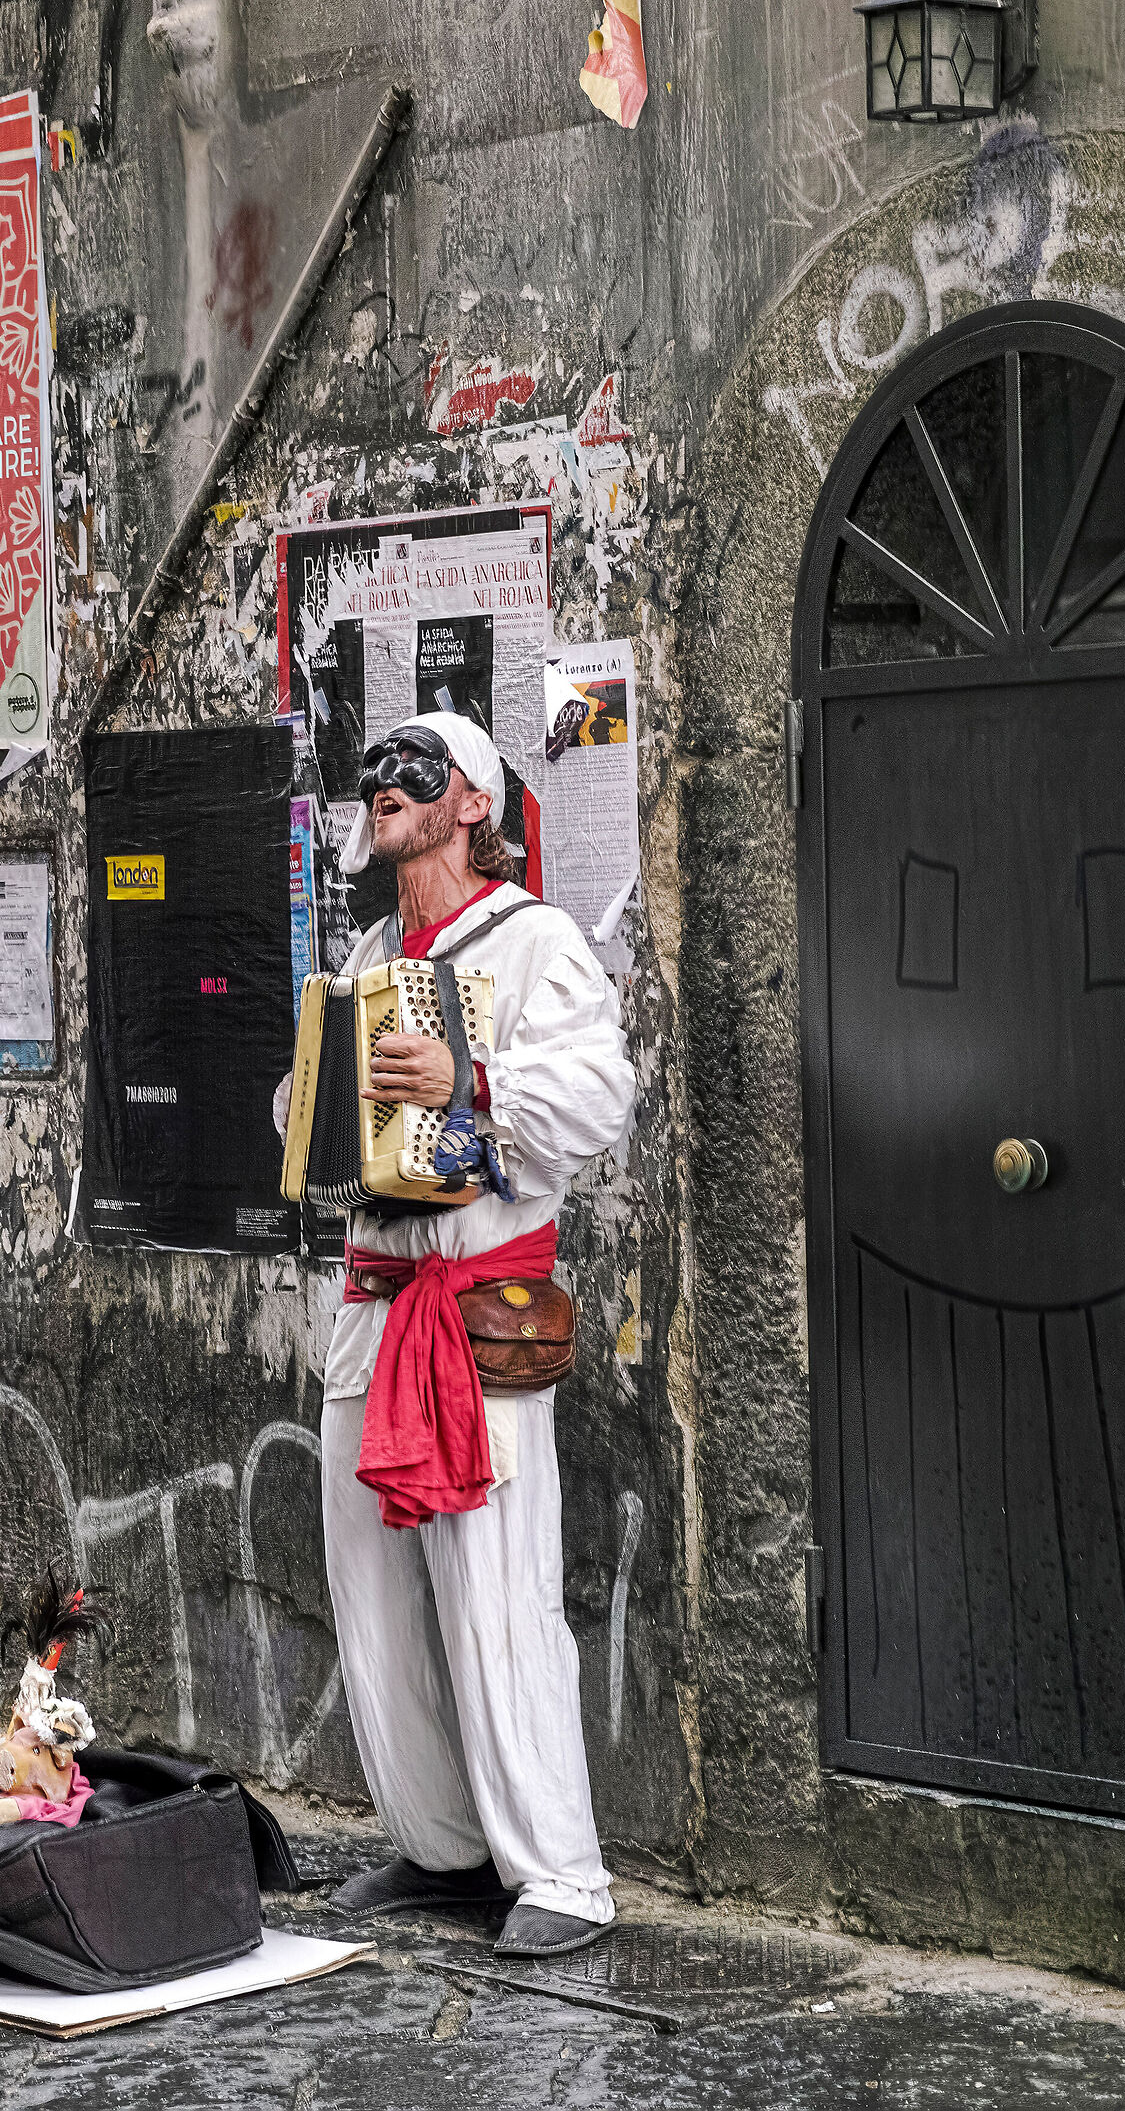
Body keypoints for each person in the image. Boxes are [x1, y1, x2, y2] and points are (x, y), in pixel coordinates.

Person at [277, 711, 635, 1960]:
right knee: (371, 1594)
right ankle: (443, 1849)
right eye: (375, 772)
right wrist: (313, 1093)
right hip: (372, 1306)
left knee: (497, 1589)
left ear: (469, 804)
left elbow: (599, 1092)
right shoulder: (371, 949)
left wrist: (467, 1083)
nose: (382, 787)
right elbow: (314, 1110)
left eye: (410, 775)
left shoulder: (533, 940)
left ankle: (562, 1874)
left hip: (476, 1310)